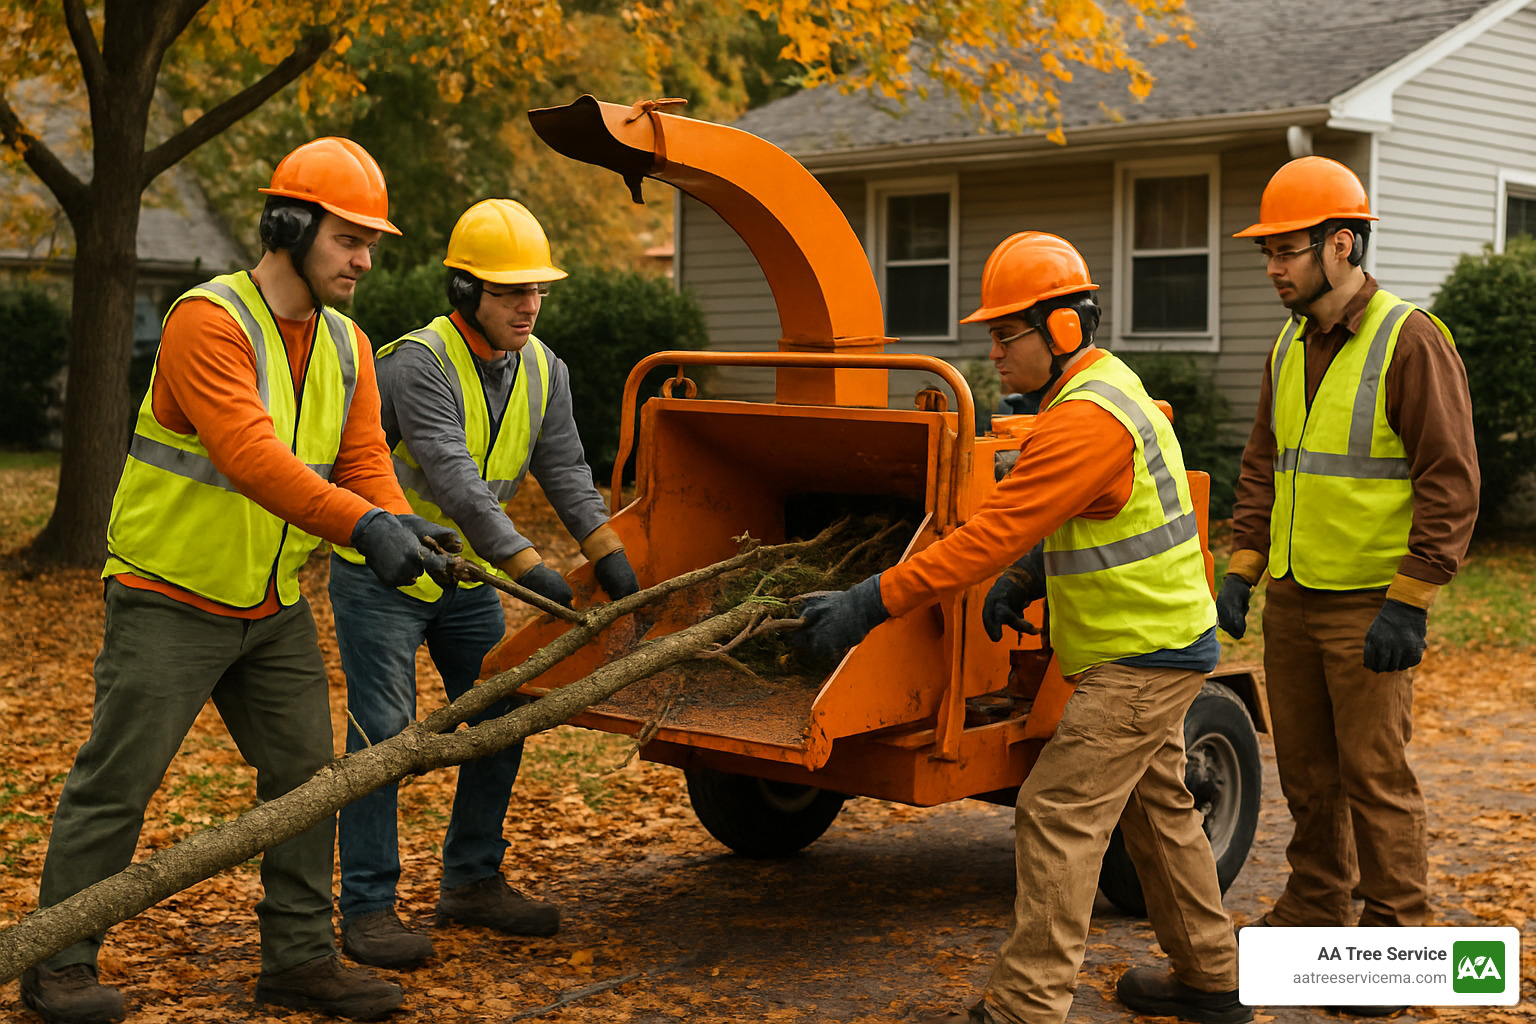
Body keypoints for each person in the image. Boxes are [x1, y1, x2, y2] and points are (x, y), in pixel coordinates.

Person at [21, 138, 459, 1024]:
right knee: (117, 784)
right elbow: (250, 455)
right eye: (348, 237)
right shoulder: (207, 321)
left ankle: (297, 959)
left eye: (373, 241)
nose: (365, 259)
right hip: (168, 596)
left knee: (307, 781)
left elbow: (365, 455)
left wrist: (399, 519)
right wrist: (364, 526)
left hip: (270, 604)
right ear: (290, 226)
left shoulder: (347, 345)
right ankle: (56, 964)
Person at [796, 231, 1248, 1024]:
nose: (996, 353)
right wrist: (1028, 579)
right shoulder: (1101, 393)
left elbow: (983, 537)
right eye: (993, 336)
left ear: (1065, 328)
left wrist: (870, 602)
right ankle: (1211, 980)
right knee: (1161, 812)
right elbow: (1088, 516)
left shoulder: (1084, 420)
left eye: (1008, 335)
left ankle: (1026, 1007)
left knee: (1057, 810)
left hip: (1141, 657)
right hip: (1160, 645)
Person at [327, 198, 640, 969]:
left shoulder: (544, 367)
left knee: (506, 706)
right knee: (383, 733)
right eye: (510, 292)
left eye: (537, 290)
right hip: (387, 572)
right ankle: (367, 908)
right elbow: (457, 480)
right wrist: (532, 569)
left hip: (464, 579)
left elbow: (565, 468)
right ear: (466, 293)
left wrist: (608, 550)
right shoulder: (417, 362)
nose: (529, 305)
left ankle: (471, 879)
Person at [1219, 157, 1477, 1011]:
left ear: (1341, 244)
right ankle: (1316, 907)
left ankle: (1396, 939)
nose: (1273, 268)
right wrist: (1243, 567)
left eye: (1286, 251)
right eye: (1269, 253)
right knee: (1307, 771)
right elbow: (1265, 463)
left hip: (1372, 603)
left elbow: (1450, 480)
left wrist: (1411, 598)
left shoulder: (1411, 338)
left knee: (1375, 775)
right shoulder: (1290, 342)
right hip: (1294, 597)